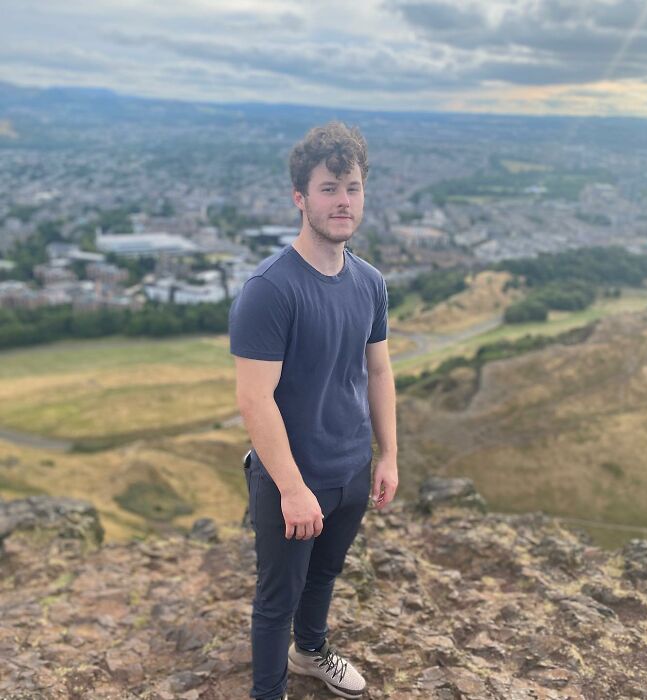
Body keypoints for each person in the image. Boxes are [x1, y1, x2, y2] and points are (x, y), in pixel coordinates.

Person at [229, 121, 398, 700]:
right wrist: (292, 488)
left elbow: (378, 371)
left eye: (352, 187)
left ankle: (310, 651)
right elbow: (254, 398)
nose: (342, 201)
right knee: (277, 599)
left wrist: (387, 455)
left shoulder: (370, 282)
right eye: (329, 188)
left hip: (350, 469)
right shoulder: (270, 289)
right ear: (300, 197)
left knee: (324, 574)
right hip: (291, 479)